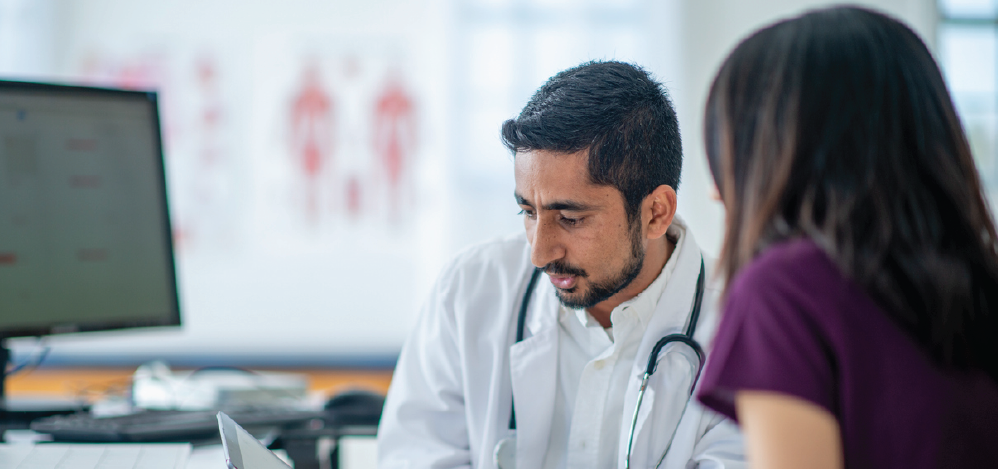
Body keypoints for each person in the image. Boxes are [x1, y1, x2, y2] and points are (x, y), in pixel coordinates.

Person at [378, 61, 745, 469]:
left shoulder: (743, 325)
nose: (539, 253)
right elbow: (414, 455)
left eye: (570, 219)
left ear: (656, 213)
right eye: (528, 212)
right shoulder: (470, 290)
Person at [696, 6, 998, 469]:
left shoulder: (784, 291)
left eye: (728, 148)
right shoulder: (981, 281)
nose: (716, 191)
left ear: (777, 154)